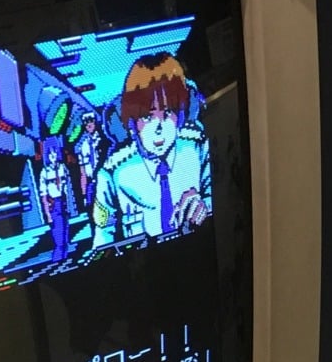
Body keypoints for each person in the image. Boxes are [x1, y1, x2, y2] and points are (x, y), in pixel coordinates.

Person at [92, 52, 212, 247]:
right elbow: (102, 237)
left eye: (167, 113)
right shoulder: (112, 173)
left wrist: (204, 207)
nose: (159, 127)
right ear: (131, 122)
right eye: (147, 116)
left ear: (181, 113)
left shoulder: (198, 146)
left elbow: (228, 197)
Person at [36, 134, 73, 263]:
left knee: (66, 236)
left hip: (63, 204)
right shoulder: (44, 172)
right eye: (50, 154)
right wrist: (48, 215)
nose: (53, 157)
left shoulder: (63, 168)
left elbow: (67, 188)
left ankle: (64, 259)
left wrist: (69, 206)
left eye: (55, 153)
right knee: (59, 240)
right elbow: (44, 196)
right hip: (54, 206)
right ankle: (57, 261)